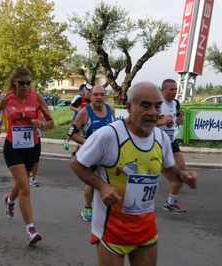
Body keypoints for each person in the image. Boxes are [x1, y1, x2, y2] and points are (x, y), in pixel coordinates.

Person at [70, 81, 198, 266]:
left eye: (157, 106)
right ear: (129, 107)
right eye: (145, 105)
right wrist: (102, 186)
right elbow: (77, 163)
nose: (153, 112)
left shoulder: (160, 137)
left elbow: (168, 169)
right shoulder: (108, 135)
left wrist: (182, 176)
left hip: (146, 228)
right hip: (112, 231)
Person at [0, 66, 54, 245]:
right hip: (13, 147)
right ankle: (31, 230)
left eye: (29, 82)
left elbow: (51, 123)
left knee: (22, 184)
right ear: (14, 82)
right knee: (25, 188)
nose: (26, 86)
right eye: (22, 83)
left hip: (32, 147)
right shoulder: (7, 99)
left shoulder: (37, 98)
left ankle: (9, 200)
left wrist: (40, 123)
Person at [69, 85, 115, 222]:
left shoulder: (110, 110)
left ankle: (109, 208)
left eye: (102, 94)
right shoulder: (84, 112)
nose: (99, 97)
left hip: (107, 154)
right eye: (96, 95)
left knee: (112, 180)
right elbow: (72, 134)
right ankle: (87, 207)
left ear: (105, 96)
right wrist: (89, 142)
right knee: (93, 183)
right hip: (91, 155)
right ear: (91, 96)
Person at [157, 78, 187, 214]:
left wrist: (179, 121)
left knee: (182, 172)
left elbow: (174, 121)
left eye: (175, 89)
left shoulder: (176, 103)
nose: (174, 92)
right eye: (171, 89)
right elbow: (145, 123)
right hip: (156, 142)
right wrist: (162, 122)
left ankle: (171, 201)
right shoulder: (156, 103)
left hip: (171, 141)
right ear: (163, 90)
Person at [64, 84, 92, 151]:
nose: (89, 94)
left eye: (91, 92)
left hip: (87, 122)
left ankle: (75, 153)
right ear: (84, 91)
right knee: (72, 131)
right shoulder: (79, 98)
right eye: (88, 92)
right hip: (77, 119)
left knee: (81, 139)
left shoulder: (92, 100)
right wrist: (77, 110)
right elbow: (71, 107)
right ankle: (66, 141)